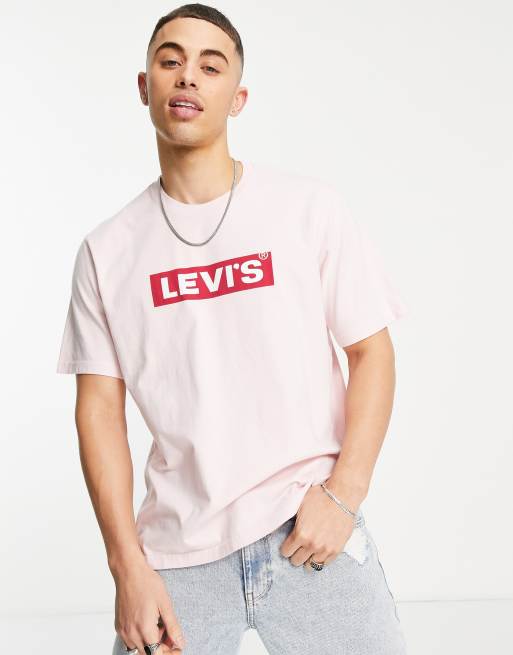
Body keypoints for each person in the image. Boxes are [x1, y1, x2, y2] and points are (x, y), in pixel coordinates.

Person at [56, 4, 409, 654]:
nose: (187, 76)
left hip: (308, 532)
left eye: (210, 66)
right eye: (170, 61)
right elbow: (98, 410)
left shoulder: (306, 209)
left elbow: (371, 351)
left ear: (237, 98)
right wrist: (127, 568)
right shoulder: (107, 252)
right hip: (176, 560)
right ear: (145, 87)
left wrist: (344, 494)